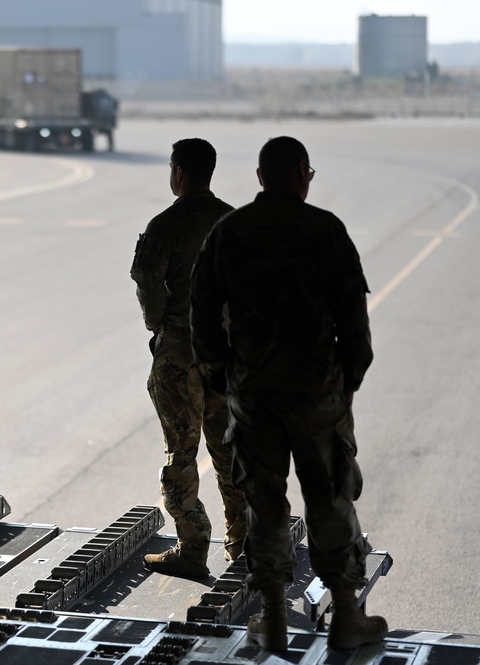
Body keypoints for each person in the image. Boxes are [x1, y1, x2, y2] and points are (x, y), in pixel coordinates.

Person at [189, 137, 387, 651]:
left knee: (264, 503)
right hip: (316, 394)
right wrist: (343, 386)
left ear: (260, 177)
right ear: (302, 174)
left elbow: (202, 313)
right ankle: (346, 617)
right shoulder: (326, 231)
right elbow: (355, 328)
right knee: (330, 499)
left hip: (253, 396)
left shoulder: (227, 233)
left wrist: (225, 378)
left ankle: (273, 616)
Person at [130, 138, 247, 578]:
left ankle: (193, 546)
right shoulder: (234, 222)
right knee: (231, 452)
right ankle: (244, 547)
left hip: (179, 355)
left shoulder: (166, 224)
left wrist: (158, 323)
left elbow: (147, 280)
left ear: (179, 173)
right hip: (225, 357)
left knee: (182, 453)